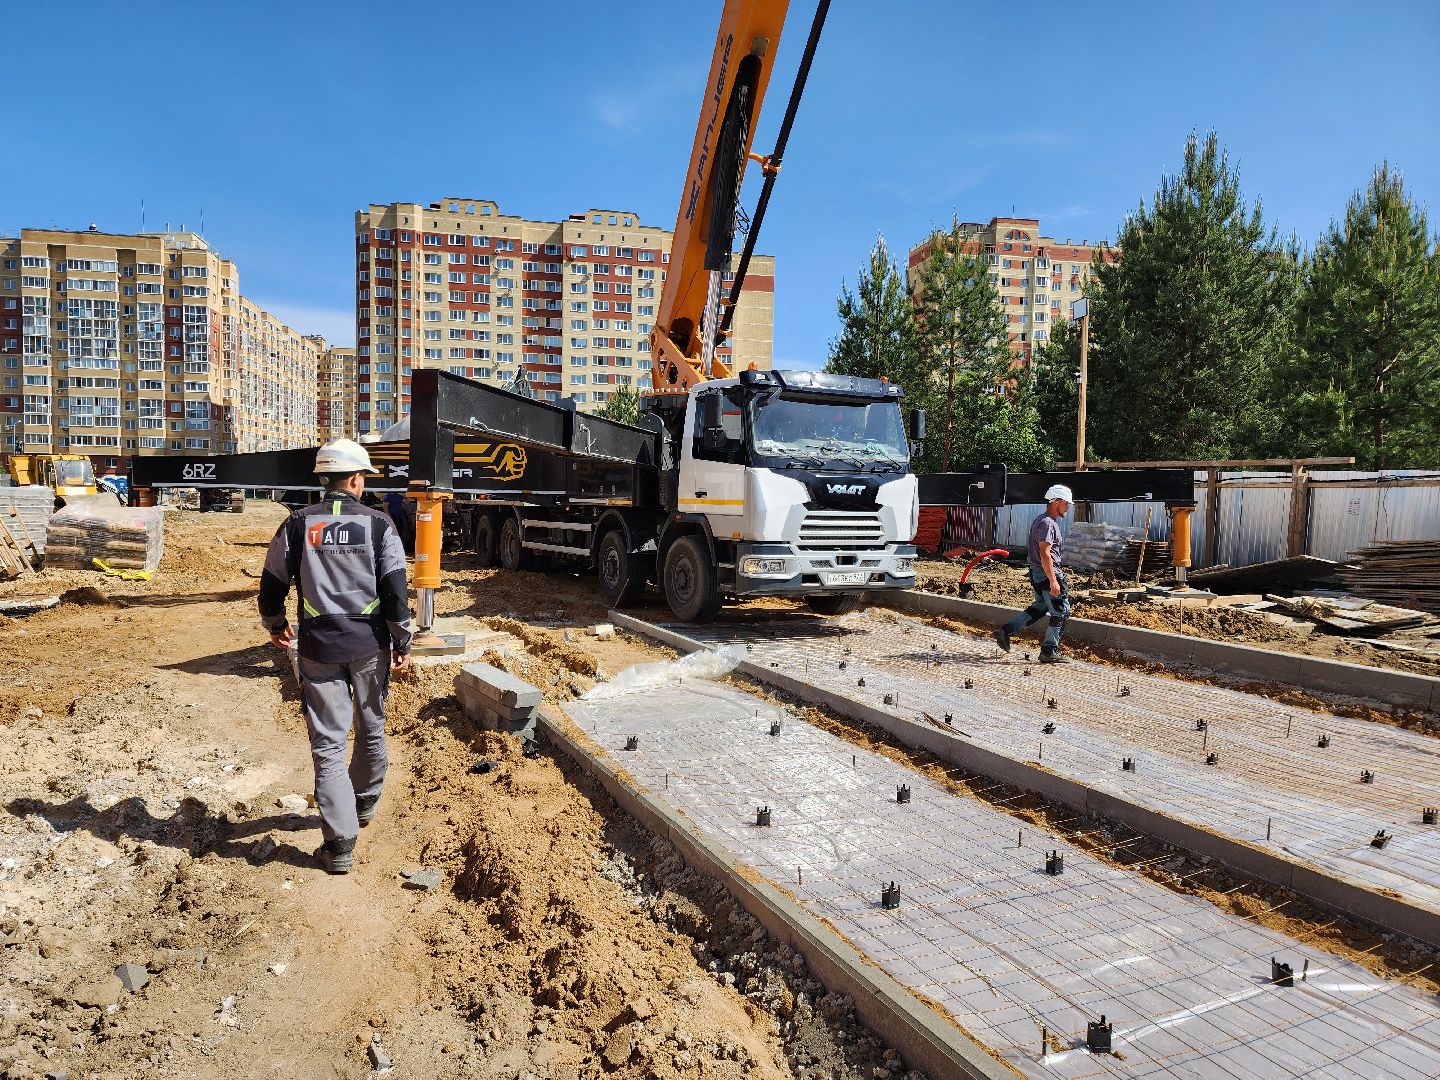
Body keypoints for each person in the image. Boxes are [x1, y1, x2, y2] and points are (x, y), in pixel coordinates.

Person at [258, 439, 414, 874]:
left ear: (322, 479)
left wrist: (275, 624)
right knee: (371, 726)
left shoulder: (296, 524)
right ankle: (363, 803)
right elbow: (396, 593)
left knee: (328, 746)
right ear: (358, 479)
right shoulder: (380, 525)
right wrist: (403, 641)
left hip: (318, 647)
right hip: (368, 646)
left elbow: (272, 584)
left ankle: (339, 844)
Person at [994, 484, 1073, 664]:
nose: (1068, 506)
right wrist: (1053, 580)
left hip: (1038, 573)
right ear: (1056, 502)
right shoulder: (1047, 523)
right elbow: (1045, 553)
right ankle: (1049, 650)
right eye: (1066, 503)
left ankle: (1006, 631)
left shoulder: (1043, 520)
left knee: (1040, 606)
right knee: (1061, 610)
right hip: (1046, 573)